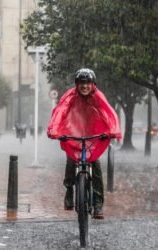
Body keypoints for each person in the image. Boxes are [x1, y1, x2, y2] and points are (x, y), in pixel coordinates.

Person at [47, 68, 121, 219]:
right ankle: (69, 190)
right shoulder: (70, 97)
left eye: (88, 83)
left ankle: (98, 204)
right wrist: (54, 130)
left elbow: (108, 113)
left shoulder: (98, 97)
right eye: (81, 83)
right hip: (73, 132)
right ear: (77, 84)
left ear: (93, 84)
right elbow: (60, 112)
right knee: (70, 161)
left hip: (93, 135)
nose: (85, 86)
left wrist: (113, 130)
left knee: (96, 168)